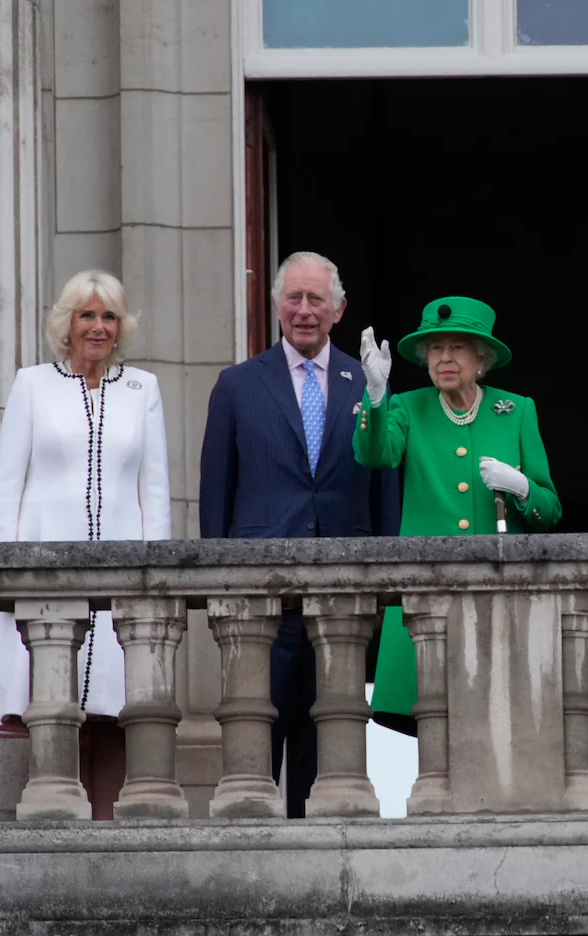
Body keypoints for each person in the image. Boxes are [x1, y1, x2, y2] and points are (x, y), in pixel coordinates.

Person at [199, 251, 395, 818]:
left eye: (316, 300)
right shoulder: (237, 386)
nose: (304, 311)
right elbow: (217, 494)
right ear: (276, 305)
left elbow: (386, 487)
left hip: (344, 596)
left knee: (331, 752)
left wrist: (386, 585)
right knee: (254, 749)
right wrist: (219, 585)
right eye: (294, 298)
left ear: (339, 310)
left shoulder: (369, 383)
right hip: (259, 599)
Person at [0, 269, 170, 820]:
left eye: (108, 316)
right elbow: (7, 487)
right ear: (67, 323)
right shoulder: (32, 384)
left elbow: (155, 491)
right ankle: (54, 832)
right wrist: (3, 575)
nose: (98, 326)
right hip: (44, 570)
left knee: (114, 711)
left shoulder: (143, 389)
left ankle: (109, 843)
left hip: (121, 576)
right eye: (87, 315)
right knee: (52, 707)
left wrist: (156, 579)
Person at [354, 297, 560, 728]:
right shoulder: (409, 407)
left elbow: (550, 510)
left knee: (499, 725)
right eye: (435, 349)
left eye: (457, 348)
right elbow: (376, 456)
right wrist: (376, 396)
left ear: (481, 357)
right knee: (431, 724)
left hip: (497, 593)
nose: (444, 359)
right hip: (426, 591)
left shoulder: (516, 410)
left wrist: (522, 488)